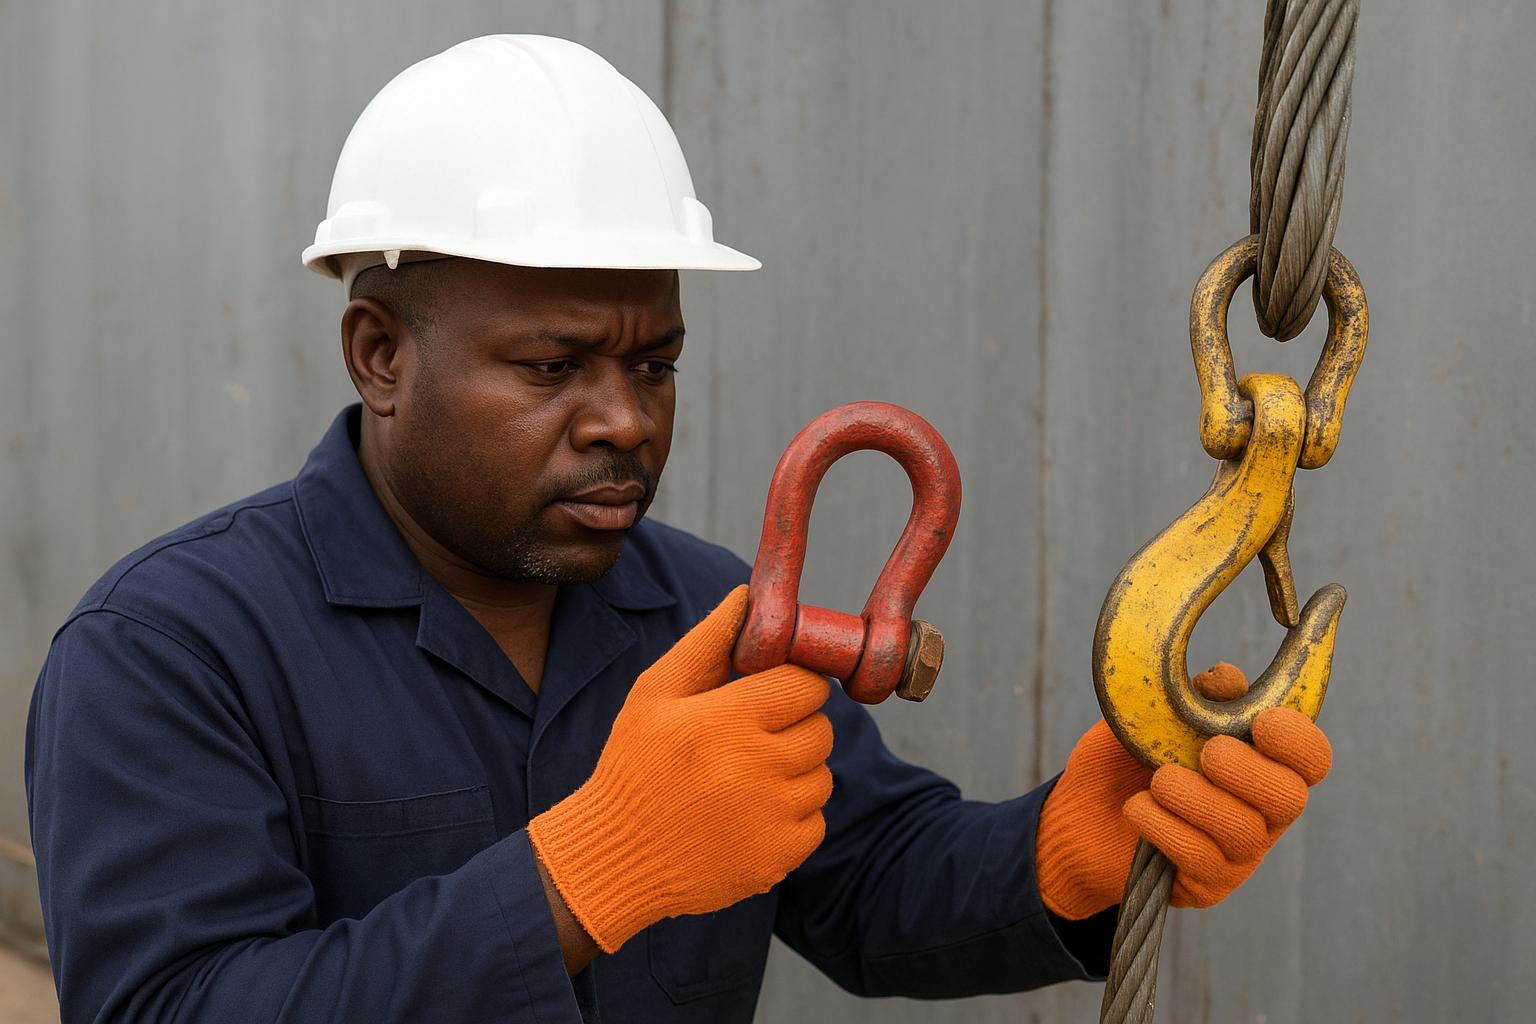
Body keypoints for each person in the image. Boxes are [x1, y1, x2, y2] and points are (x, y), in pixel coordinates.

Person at [25, 35, 1332, 1024]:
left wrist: (1067, 850)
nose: (624, 421)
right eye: (552, 367)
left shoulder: (710, 614)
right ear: (380, 356)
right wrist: (588, 874)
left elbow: (870, 882)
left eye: (654, 366)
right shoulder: (171, 650)